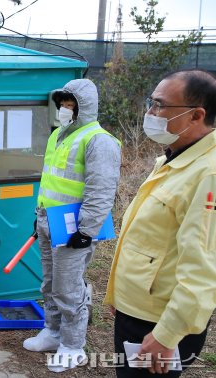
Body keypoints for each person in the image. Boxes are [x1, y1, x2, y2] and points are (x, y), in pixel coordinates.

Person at [104, 69, 216, 377]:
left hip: (158, 323)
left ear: (196, 115)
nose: (150, 113)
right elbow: (151, 239)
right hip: (138, 311)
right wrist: (121, 296)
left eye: (160, 105)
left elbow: (203, 270)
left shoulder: (208, 175)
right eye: (150, 103)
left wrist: (167, 335)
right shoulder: (174, 158)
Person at [22, 78, 122, 372]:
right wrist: (39, 215)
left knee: (68, 288)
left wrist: (87, 230)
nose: (65, 109)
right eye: (63, 103)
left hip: (74, 229)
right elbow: (52, 181)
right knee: (50, 284)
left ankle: (73, 345)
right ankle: (52, 333)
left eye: (71, 104)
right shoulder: (60, 135)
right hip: (48, 221)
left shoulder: (98, 140)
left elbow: (101, 190)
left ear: (84, 107)